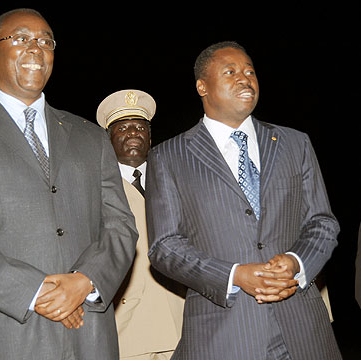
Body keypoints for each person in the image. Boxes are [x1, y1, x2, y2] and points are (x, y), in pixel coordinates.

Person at [0, 8, 137, 360]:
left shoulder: (91, 137)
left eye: (45, 41)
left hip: (90, 336)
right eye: (21, 39)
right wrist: (37, 291)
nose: (35, 49)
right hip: (4, 336)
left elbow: (121, 227)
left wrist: (85, 282)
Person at [145, 41, 342, 359]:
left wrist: (295, 262)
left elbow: (322, 222)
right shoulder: (169, 157)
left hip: (302, 329)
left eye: (250, 71)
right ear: (202, 86)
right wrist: (234, 275)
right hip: (222, 335)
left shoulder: (294, 143)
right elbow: (164, 247)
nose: (244, 78)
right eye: (230, 71)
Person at [96, 89, 185, 360]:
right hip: (127, 328)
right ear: (108, 139)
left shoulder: (175, 180)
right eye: (122, 128)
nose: (133, 133)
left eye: (140, 127)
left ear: (150, 136)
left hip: (181, 321)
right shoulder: (95, 187)